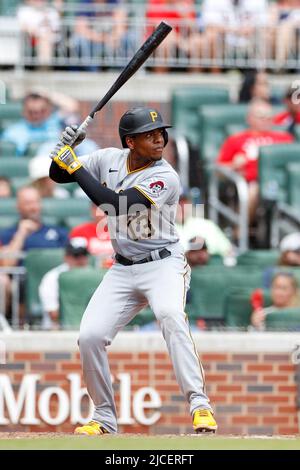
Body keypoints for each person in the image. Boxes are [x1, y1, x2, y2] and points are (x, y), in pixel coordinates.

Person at [49, 106, 217, 435]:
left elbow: (117, 204)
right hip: (123, 267)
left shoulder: (165, 175)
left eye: (160, 132)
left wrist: (73, 163)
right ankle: (104, 418)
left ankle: (200, 405)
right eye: (149, 134)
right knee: (90, 336)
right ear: (130, 142)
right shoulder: (108, 159)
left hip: (163, 263)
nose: (159, 138)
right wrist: (66, 149)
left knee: (170, 314)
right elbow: (59, 176)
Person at [217, 99, 294, 223]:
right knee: (254, 190)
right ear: (249, 118)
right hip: (253, 183)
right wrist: (234, 165)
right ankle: (239, 234)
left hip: (283, 182)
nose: (266, 121)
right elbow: (218, 171)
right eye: (261, 117)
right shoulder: (236, 140)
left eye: (269, 117)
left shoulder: (285, 138)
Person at [0, 186, 68, 267]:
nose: (33, 207)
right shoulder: (6, 235)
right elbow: (7, 266)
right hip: (22, 278)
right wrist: (21, 234)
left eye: (36, 202)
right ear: (18, 207)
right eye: (27, 203)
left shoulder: (59, 232)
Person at [1, 91, 79, 156]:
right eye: (31, 112)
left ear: (49, 110)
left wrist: (45, 93)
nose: (36, 115)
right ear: (23, 112)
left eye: (42, 111)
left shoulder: (55, 121)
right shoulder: (13, 131)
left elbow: (73, 106)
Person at [39, 237, 89, 330]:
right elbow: (53, 314)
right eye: (76, 256)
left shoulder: (92, 275)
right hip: (57, 328)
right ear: (66, 257)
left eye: (84, 255)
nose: (80, 259)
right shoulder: (52, 277)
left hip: (87, 328)